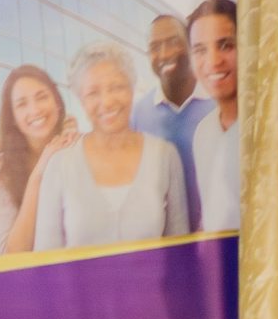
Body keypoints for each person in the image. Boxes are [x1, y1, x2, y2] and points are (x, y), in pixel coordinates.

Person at [31, 42, 189, 249]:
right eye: (93, 92)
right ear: (81, 100)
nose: (106, 102)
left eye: (117, 87)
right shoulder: (60, 164)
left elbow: (180, 251)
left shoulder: (164, 156)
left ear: (132, 89)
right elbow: (46, 259)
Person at [0, 65, 79, 255]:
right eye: (22, 104)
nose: (35, 109)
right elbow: (9, 255)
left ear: (57, 103)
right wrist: (39, 173)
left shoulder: (76, 149)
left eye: (42, 97)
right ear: (13, 118)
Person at [132, 13, 207, 227]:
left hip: (223, 238)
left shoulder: (218, 100)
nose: (164, 54)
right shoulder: (138, 115)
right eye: (155, 47)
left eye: (173, 42)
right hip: (168, 240)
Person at [184, 0, 240, 234]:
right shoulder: (203, 132)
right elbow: (211, 216)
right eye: (200, 50)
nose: (213, 61)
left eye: (226, 45)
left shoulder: (271, 123)